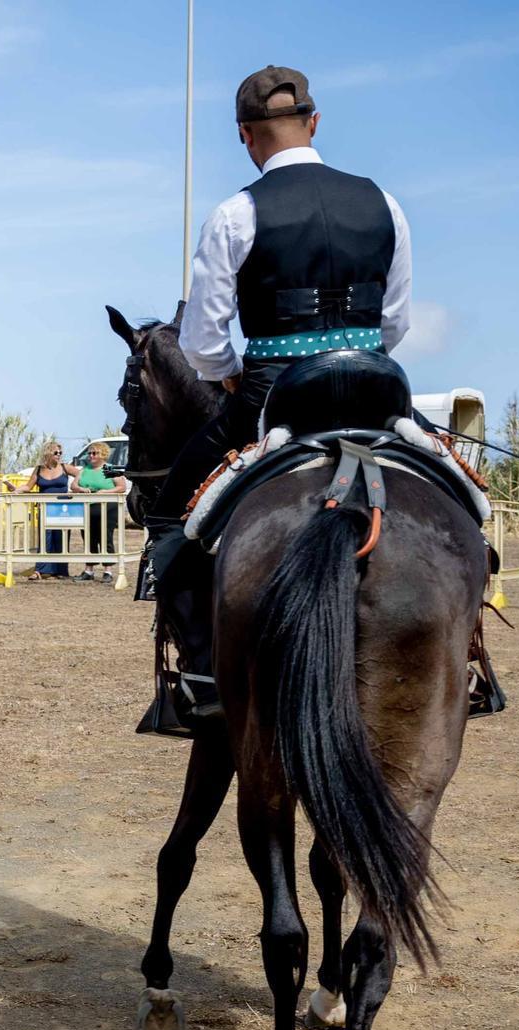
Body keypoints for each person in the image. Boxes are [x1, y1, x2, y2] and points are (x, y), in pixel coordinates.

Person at [144, 65, 411, 730]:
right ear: (315, 123)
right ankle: (471, 662)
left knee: (170, 521)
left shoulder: (236, 213)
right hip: (376, 393)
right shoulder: (384, 202)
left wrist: (234, 374)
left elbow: (202, 342)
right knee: (465, 496)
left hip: (273, 402)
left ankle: (203, 673)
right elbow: (396, 324)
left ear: (244, 135)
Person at [19, 442, 74, 579]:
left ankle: (61, 571)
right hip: (45, 508)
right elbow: (28, 487)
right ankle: (40, 570)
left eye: (60, 453)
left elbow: (82, 474)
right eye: (56, 453)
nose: (59, 455)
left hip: (62, 509)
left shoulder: (65, 468)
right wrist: (16, 489)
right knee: (45, 539)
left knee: (61, 538)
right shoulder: (38, 470)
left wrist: (77, 486)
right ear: (48, 453)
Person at [73, 439, 125, 580]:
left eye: (94, 453)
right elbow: (74, 485)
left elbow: (122, 487)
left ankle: (108, 571)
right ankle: (89, 570)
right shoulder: (84, 470)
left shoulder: (110, 468)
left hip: (108, 508)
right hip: (87, 507)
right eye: (89, 453)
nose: (91, 456)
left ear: (102, 454)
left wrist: (106, 492)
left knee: (105, 536)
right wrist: (80, 489)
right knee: (88, 537)